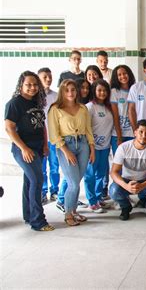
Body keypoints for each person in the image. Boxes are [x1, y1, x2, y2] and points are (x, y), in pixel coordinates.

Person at [4, 71, 54, 231]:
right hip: (24, 149)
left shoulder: (36, 101)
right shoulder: (14, 103)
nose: (32, 88)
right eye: (28, 85)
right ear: (21, 85)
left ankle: (28, 215)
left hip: (38, 147)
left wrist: (45, 145)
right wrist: (24, 148)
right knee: (37, 180)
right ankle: (38, 221)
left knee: (29, 181)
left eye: (35, 85)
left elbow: (42, 124)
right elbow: (9, 129)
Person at [48, 79, 95, 226]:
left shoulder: (82, 108)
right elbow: (53, 134)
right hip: (65, 145)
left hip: (83, 145)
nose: (70, 93)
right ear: (62, 91)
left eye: (73, 89)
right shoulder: (55, 108)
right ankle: (68, 213)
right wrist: (66, 151)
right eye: (67, 90)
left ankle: (74, 211)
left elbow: (88, 130)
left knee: (77, 180)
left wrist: (92, 149)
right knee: (73, 183)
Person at [109, 120, 146, 220]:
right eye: (140, 132)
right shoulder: (123, 148)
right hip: (126, 181)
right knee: (113, 191)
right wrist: (126, 186)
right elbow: (114, 172)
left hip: (144, 182)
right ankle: (125, 207)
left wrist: (142, 185)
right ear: (135, 133)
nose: (143, 135)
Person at [84, 80, 114, 213]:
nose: (102, 93)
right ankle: (91, 202)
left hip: (105, 147)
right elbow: (86, 128)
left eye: (105, 90)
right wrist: (90, 147)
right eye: (99, 90)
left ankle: (97, 197)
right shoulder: (89, 107)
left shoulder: (108, 107)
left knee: (101, 174)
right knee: (90, 175)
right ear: (94, 91)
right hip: (93, 148)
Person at [38, 67, 59, 203]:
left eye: (50, 76)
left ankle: (54, 191)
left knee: (54, 166)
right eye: (45, 77)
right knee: (41, 167)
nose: (48, 79)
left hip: (53, 137)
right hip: (39, 138)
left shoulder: (56, 96)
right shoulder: (35, 97)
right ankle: (43, 191)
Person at [110, 65, 136, 154]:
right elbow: (115, 116)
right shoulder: (114, 92)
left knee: (131, 163)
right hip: (117, 134)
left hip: (132, 133)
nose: (122, 76)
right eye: (119, 75)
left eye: (124, 73)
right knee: (118, 162)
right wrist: (119, 136)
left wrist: (136, 132)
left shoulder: (135, 90)